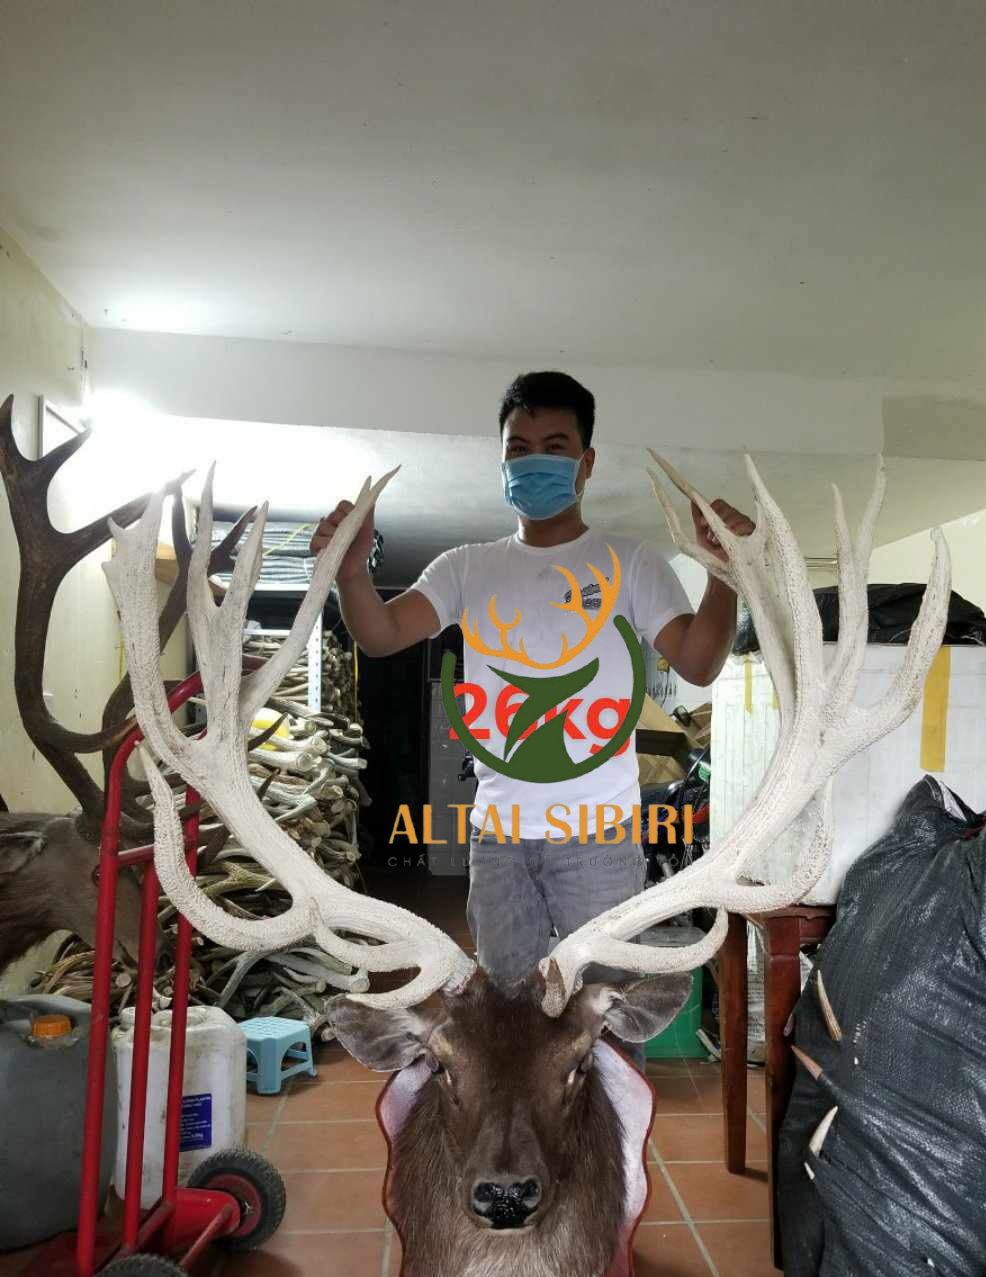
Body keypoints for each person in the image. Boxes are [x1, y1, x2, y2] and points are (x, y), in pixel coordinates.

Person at [312, 370, 753, 994]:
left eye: (554, 446)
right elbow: (381, 634)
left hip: (600, 840)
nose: (534, 461)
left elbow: (698, 663)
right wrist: (352, 574)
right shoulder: (466, 568)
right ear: (501, 462)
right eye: (518, 449)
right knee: (505, 1015)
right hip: (500, 841)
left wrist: (724, 573)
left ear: (587, 463)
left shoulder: (631, 564)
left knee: (604, 1010)